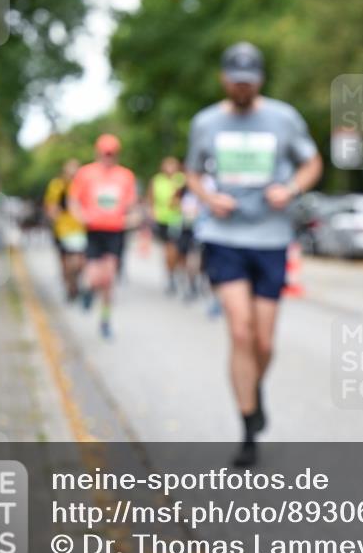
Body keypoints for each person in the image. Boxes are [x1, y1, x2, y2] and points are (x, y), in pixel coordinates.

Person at [184, 42, 322, 467]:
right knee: (240, 331)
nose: (242, 88)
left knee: (264, 340)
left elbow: (312, 163)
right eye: (235, 81)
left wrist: (291, 189)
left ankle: (253, 387)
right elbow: (192, 172)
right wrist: (209, 198)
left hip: (272, 238)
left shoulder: (283, 118)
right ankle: (248, 429)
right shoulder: (205, 122)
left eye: (250, 82)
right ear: (224, 79)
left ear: (259, 80)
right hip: (223, 236)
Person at [68, 134, 138, 339]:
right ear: (98, 152)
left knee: (109, 278)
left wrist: (131, 218)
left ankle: (105, 320)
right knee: (93, 275)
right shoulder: (85, 173)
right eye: (105, 154)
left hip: (115, 232)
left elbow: (132, 205)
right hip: (94, 230)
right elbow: (73, 201)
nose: (108, 157)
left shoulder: (125, 176)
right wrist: (80, 216)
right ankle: (88, 289)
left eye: (112, 154)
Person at [44, 159, 86, 301]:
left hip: (81, 229)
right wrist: (57, 216)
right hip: (63, 230)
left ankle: (75, 283)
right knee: (66, 262)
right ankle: (69, 286)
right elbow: (51, 207)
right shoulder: (57, 186)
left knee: (80, 262)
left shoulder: (83, 186)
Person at [147, 156, 187, 295]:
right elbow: (151, 199)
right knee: (168, 248)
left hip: (177, 219)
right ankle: (170, 274)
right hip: (162, 219)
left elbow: (183, 197)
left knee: (177, 248)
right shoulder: (157, 180)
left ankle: (176, 272)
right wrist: (152, 214)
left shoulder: (181, 179)